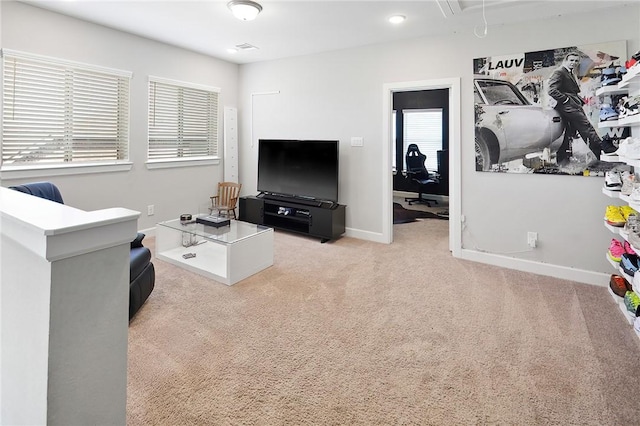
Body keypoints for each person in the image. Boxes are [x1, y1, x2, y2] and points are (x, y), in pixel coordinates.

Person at [547, 52, 602, 164]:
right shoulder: (560, 72)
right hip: (568, 106)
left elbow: (570, 90)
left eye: (576, 61)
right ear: (566, 60)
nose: (574, 63)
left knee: (568, 134)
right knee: (586, 128)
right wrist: (566, 100)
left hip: (571, 106)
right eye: (571, 60)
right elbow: (551, 90)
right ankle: (603, 150)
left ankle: (563, 161)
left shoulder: (569, 73)